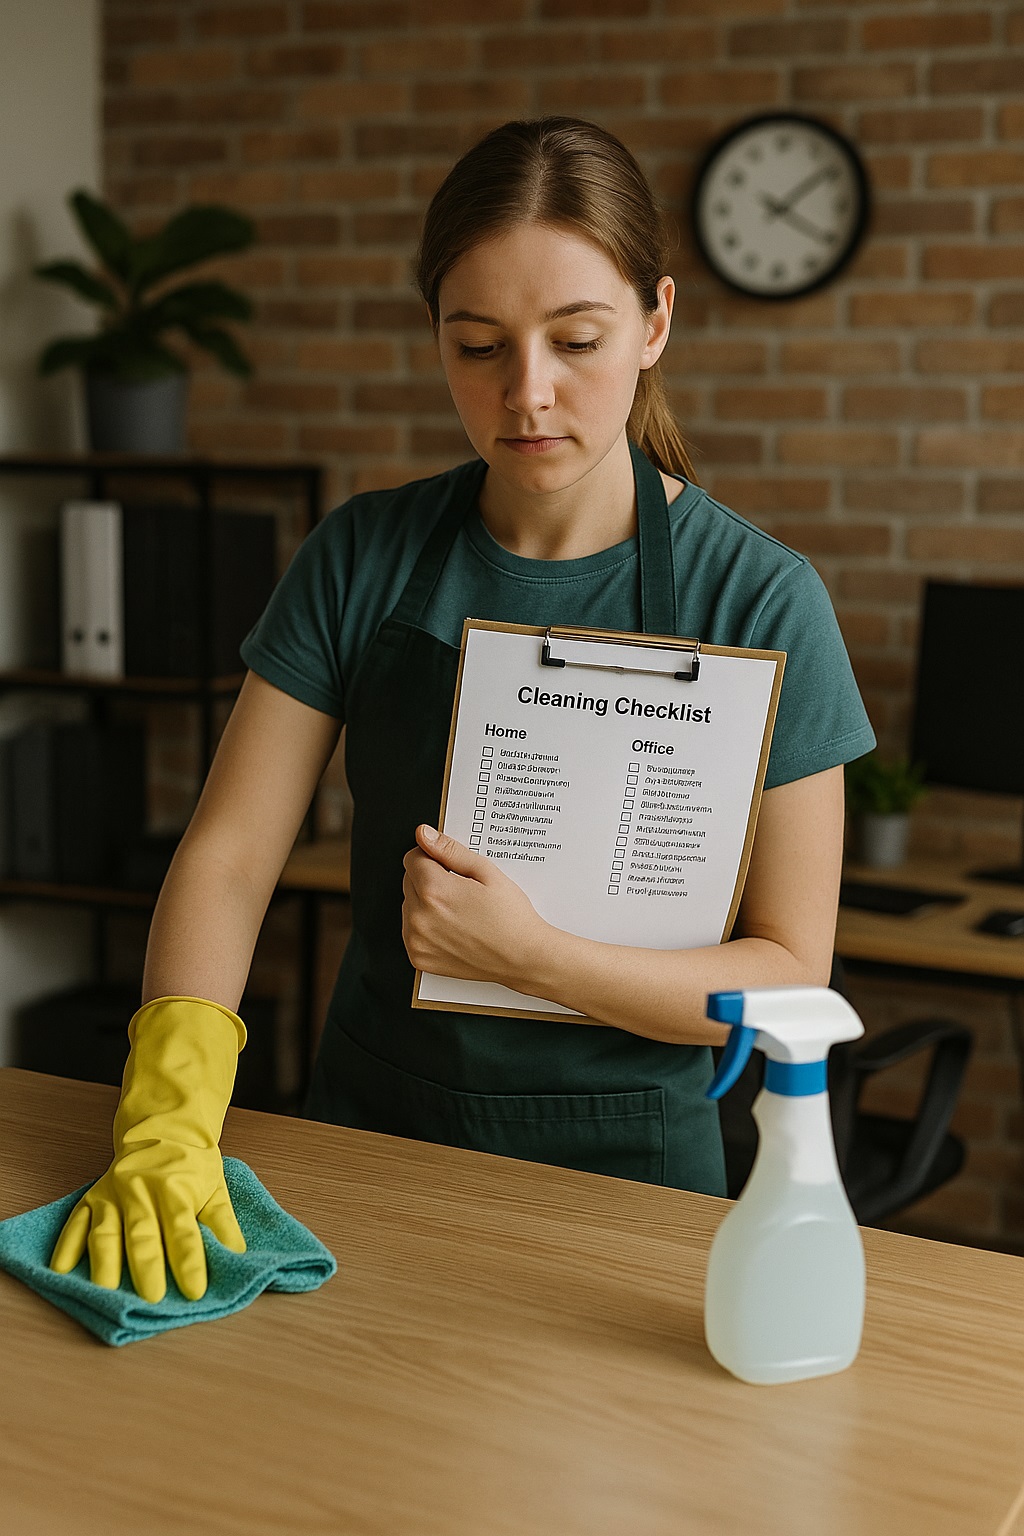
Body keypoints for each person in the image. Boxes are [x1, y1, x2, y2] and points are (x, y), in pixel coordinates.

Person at [50, 116, 874, 1304]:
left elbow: (792, 977)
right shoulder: (361, 556)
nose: (525, 395)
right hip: (371, 1142)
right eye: (477, 344)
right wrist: (168, 1119)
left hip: (631, 1188)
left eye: (575, 340)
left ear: (654, 323)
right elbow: (229, 858)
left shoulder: (759, 598)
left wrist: (532, 956)